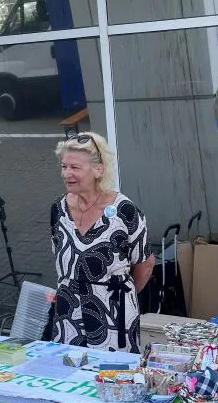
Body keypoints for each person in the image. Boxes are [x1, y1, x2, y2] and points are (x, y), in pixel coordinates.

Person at [51, 132, 154, 352]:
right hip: (68, 315)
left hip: (114, 316)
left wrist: (121, 295)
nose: (67, 173)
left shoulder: (124, 211)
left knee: (114, 378)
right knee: (69, 378)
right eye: (64, 166)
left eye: (75, 167)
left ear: (99, 169)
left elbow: (145, 264)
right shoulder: (58, 210)